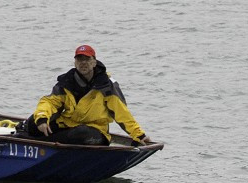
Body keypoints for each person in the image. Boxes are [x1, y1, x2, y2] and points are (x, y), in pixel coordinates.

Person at [23, 45, 152, 146]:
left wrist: (139, 135)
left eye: (87, 59)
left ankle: (36, 142)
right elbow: (49, 102)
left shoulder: (107, 85)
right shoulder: (66, 82)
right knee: (33, 123)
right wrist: (42, 119)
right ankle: (31, 139)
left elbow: (122, 113)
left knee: (80, 134)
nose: (83, 63)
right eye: (80, 59)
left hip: (95, 131)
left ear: (94, 62)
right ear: (75, 63)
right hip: (68, 125)